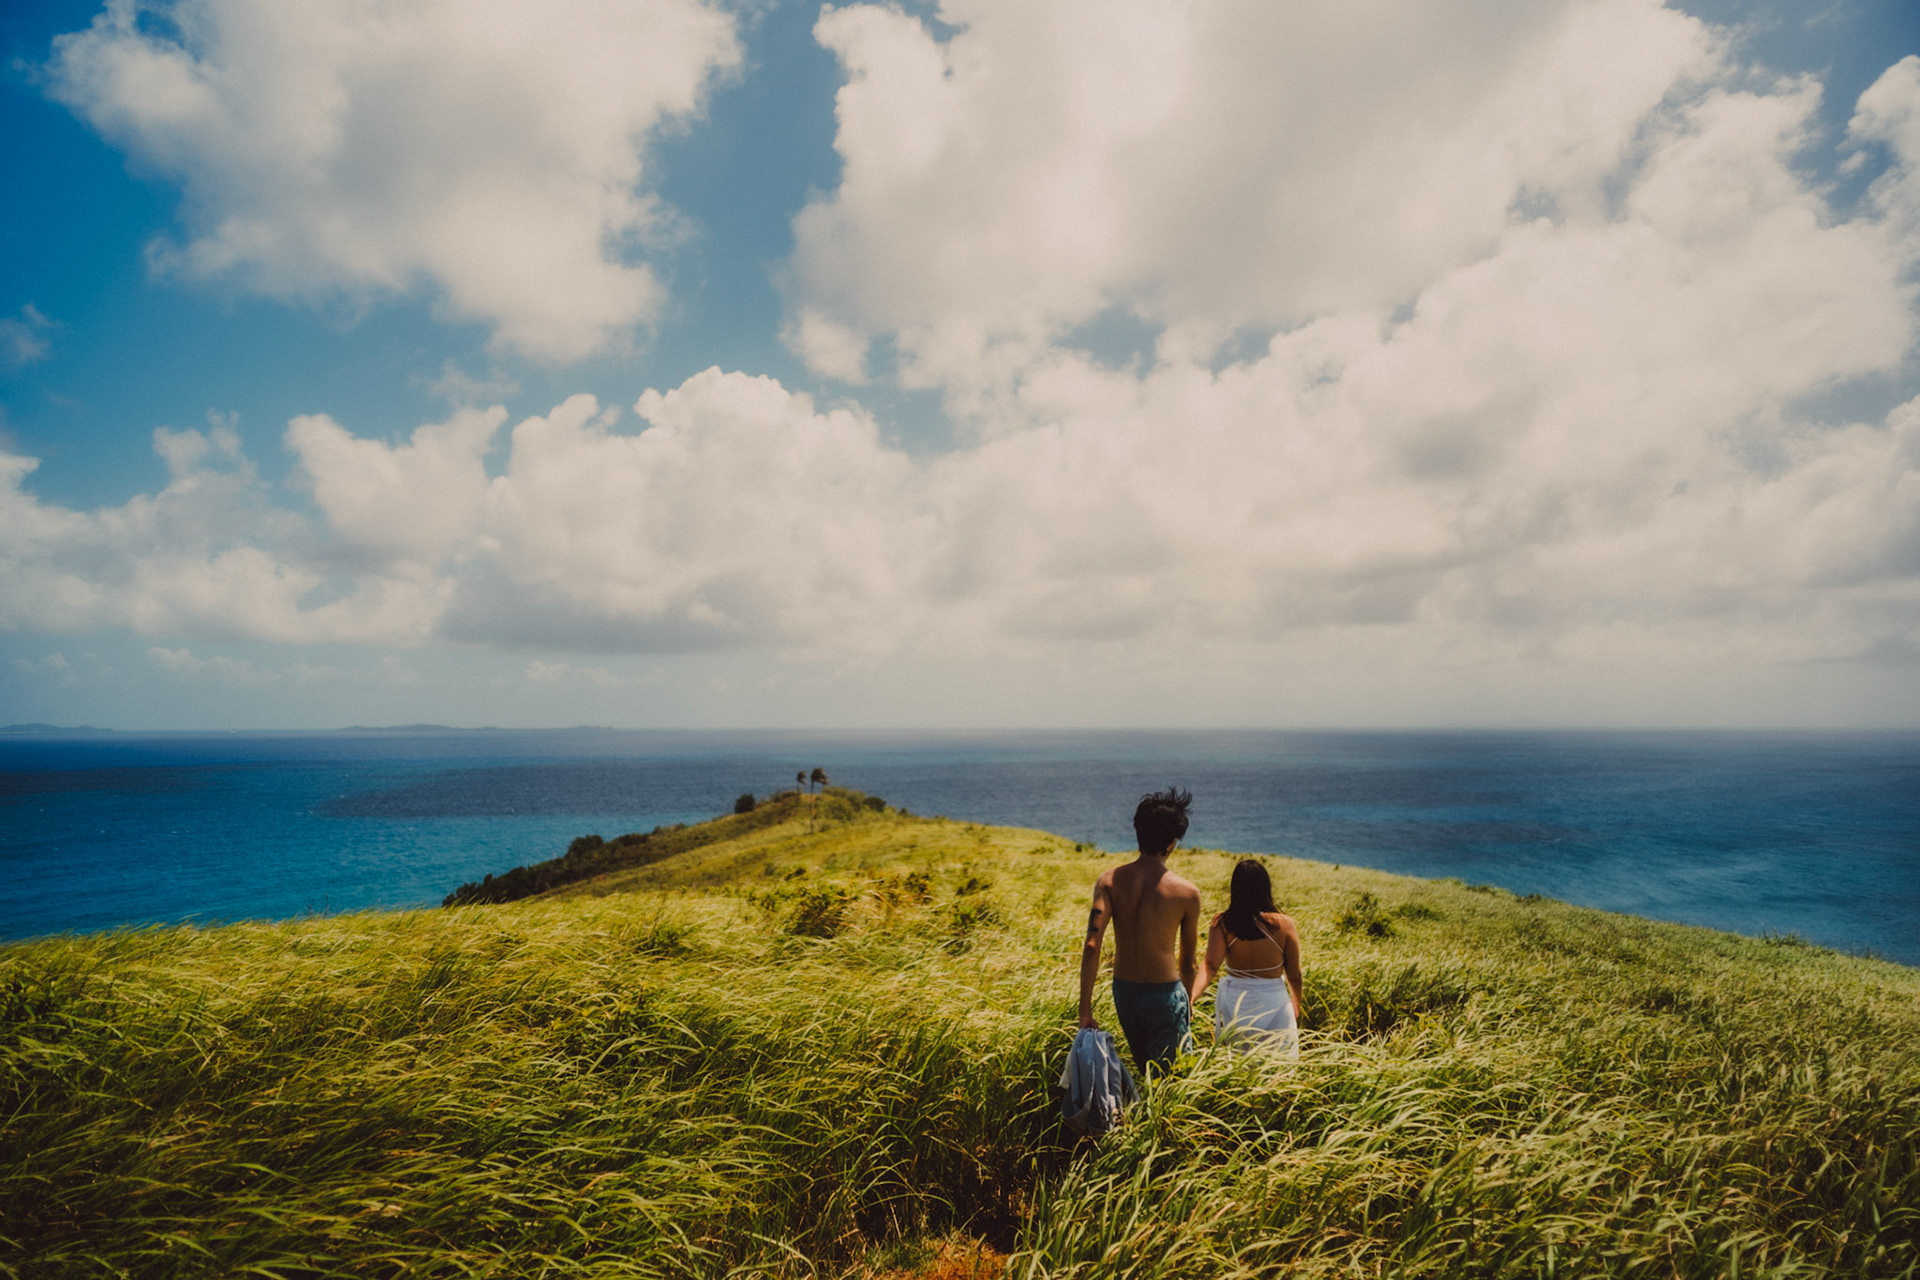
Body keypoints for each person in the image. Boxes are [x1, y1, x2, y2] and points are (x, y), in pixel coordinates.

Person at [1079, 786, 1202, 1077]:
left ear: (1138, 832)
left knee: (1146, 1070)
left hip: (1125, 993)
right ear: (1172, 842)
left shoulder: (1109, 881)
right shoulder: (1187, 893)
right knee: (1171, 1083)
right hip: (1164, 996)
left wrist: (1085, 1010)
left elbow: (1092, 945)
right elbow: (1188, 963)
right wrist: (1188, 1003)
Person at [1190, 858, 1303, 1059]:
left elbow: (1210, 965)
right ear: (1265, 887)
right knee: (1279, 1068)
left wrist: (1192, 997)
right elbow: (1294, 975)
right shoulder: (1284, 925)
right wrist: (1296, 1003)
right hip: (1275, 1001)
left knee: (1237, 1064)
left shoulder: (1223, 923)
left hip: (1235, 1002)